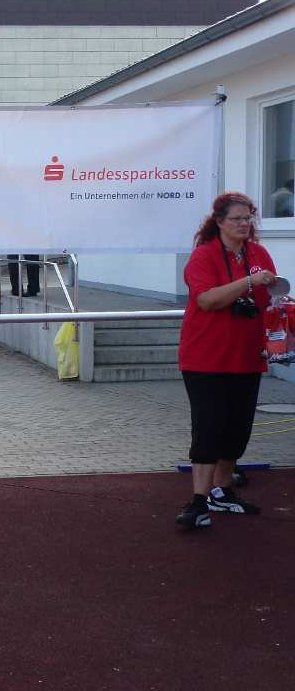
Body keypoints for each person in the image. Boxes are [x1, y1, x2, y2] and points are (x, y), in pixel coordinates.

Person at [175, 191, 276, 529]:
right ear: (219, 221)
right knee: (209, 428)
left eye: (248, 218)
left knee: (237, 430)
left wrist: (280, 305)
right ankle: (198, 502)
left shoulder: (259, 254)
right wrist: (248, 281)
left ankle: (222, 491)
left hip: (247, 356)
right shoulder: (203, 256)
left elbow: (267, 300)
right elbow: (206, 300)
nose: (245, 224)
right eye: (237, 218)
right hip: (206, 358)